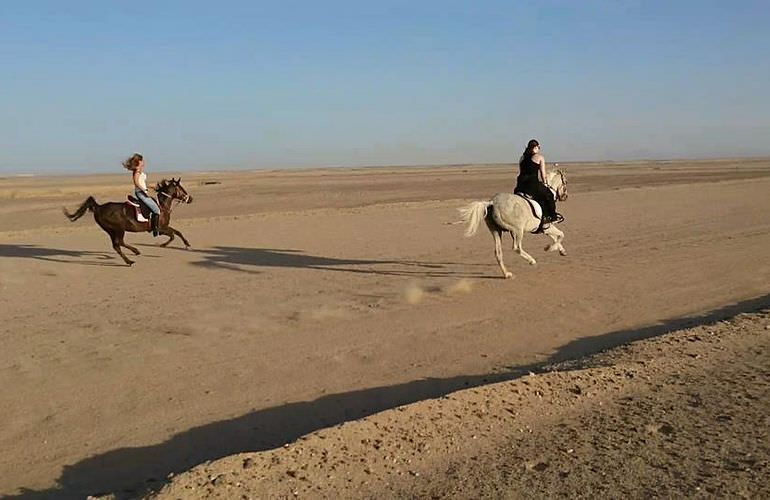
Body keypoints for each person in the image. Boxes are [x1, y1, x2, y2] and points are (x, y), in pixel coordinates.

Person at [514, 139, 562, 230]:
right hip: (532, 184)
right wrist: (546, 184)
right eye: (538, 147)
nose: (539, 149)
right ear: (535, 147)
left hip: (520, 185)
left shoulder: (522, 158)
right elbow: (543, 174)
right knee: (549, 194)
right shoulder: (539, 157)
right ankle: (551, 217)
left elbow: (521, 171)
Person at [122, 153, 160, 236]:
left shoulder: (140, 171)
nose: (143, 162)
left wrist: (151, 187)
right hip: (140, 193)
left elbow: (143, 183)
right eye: (142, 160)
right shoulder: (137, 172)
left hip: (143, 191)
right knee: (156, 210)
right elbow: (137, 183)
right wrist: (144, 189)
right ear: (139, 162)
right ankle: (155, 229)